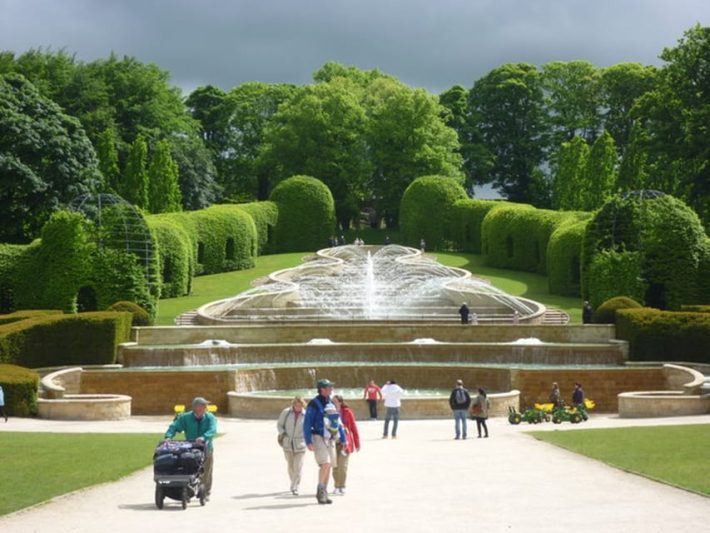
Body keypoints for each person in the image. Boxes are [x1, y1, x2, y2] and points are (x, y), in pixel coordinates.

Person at [164, 396, 217, 499]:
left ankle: (206, 491)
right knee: (188, 466)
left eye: (205, 406)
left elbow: (212, 430)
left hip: (206, 447)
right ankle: (187, 487)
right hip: (191, 447)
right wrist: (168, 436)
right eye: (203, 405)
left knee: (206, 469)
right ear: (195, 407)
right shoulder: (186, 417)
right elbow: (174, 426)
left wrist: (204, 437)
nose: (205, 407)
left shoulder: (210, 417)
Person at [303, 378, 344, 504]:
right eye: (329, 387)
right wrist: (308, 440)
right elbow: (307, 422)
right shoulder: (313, 404)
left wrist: (343, 438)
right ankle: (320, 491)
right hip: (318, 437)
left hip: (330, 438)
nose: (331, 389)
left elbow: (338, 422)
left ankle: (324, 493)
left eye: (331, 387)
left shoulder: (330, 402)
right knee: (325, 464)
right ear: (322, 389)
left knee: (329, 465)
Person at [277, 397, 307, 495]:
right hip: (287, 443)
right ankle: (293, 481)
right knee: (290, 466)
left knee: (298, 466)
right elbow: (279, 425)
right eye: (296, 405)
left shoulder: (306, 414)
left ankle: (295, 486)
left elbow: (309, 428)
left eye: (300, 405)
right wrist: (283, 433)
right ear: (293, 404)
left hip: (301, 444)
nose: (298, 407)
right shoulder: (286, 412)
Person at [332, 395, 360, 495]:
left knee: (342, 466)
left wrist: (357, 443)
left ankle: (342, 485)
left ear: (340, 402)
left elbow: (353, 428)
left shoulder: (347, 412)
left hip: (345, 443)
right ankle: (336, 486)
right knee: (335, 466)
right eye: (332, 401)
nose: (333, 403)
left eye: (335, 401)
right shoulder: (328, 412)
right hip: (333, 442)